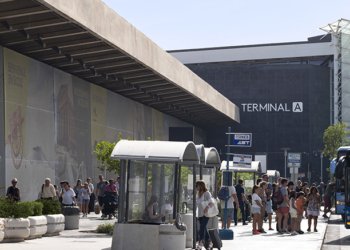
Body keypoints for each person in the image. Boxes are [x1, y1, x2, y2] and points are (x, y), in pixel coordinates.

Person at [196, 180, 214, 250]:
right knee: (204, 228)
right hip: (200, 213)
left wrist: (207, 207)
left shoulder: (207, 193)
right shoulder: (199, 194)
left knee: (202, 227)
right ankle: (210, 243)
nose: (196, 187)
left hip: (206, 213)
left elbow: (211, 202)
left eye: (196, 186)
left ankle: (200, 243)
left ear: (200, 186)